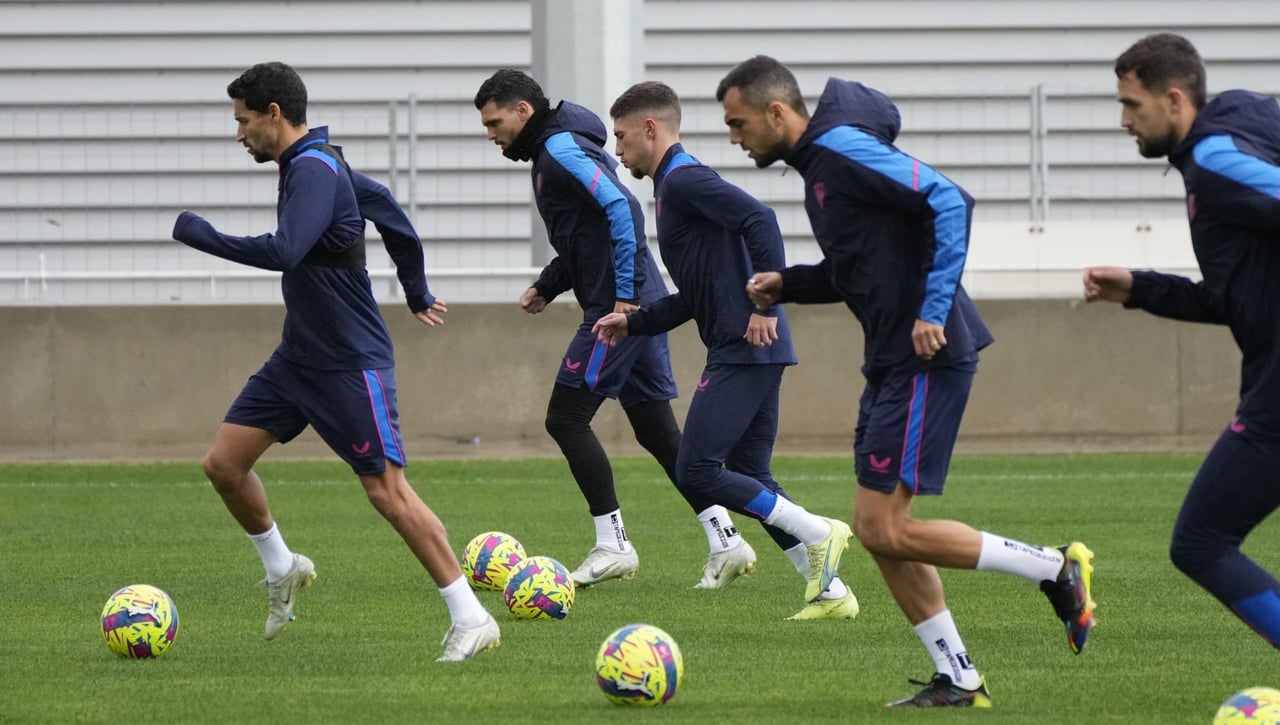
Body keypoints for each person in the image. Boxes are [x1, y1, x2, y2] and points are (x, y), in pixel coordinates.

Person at [716, 56, 1096, 707]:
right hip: (892, 360)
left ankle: (1053, 567)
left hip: (927, 354)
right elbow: (860, 265)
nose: (734, 137)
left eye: (737, 122)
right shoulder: (821, 173)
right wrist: (791, 284)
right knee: (876, 527)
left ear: (776, 112)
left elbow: (948, 197)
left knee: (885, 526)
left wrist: (932, 305)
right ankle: (959, 676)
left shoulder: (840, 149)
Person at [172, 61, 499, 662]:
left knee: (387, 492)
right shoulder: (317, 164)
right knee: (223, 464)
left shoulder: (317, 170)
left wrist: (201, 234)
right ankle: (283, 565)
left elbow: (287, 250)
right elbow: (393, 216)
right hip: (298, 359)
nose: (238, 133)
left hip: (350, 362)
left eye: (244, 121)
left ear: (274, 115)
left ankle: (471, 614)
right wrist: (417, 289)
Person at [473, 69, 755, 589]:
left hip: (617, 310)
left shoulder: (559, 150)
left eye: (494, 123)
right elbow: (586, 237)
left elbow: (621, 207)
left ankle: (613, 544)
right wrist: (549, 283)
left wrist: (623, 298)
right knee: (656, 430)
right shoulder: (556, 151)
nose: (492, 135)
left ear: (522, 112)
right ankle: (726, 538)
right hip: (631, 302)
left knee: (566, 418)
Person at [593, 81, 856, 619]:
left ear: (651, 128)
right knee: (752, 476)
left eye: (620, 138)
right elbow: (694, 296)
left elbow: (760, 219)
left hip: (745, 345)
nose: (617, 151)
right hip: (750, 346)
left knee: (696, 469)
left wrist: (764, 307)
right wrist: (635, 322)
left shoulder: (685, 179)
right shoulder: (671, 189)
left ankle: (818, 531)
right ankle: (829, 592)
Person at [1085, 32, 1280, 650]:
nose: (1124, 121)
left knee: (1201, 541)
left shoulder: (1217, 159)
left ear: (1174, 100)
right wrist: (1140, 288)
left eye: (1132, 105)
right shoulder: (1241, 138)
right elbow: (1231, 297)